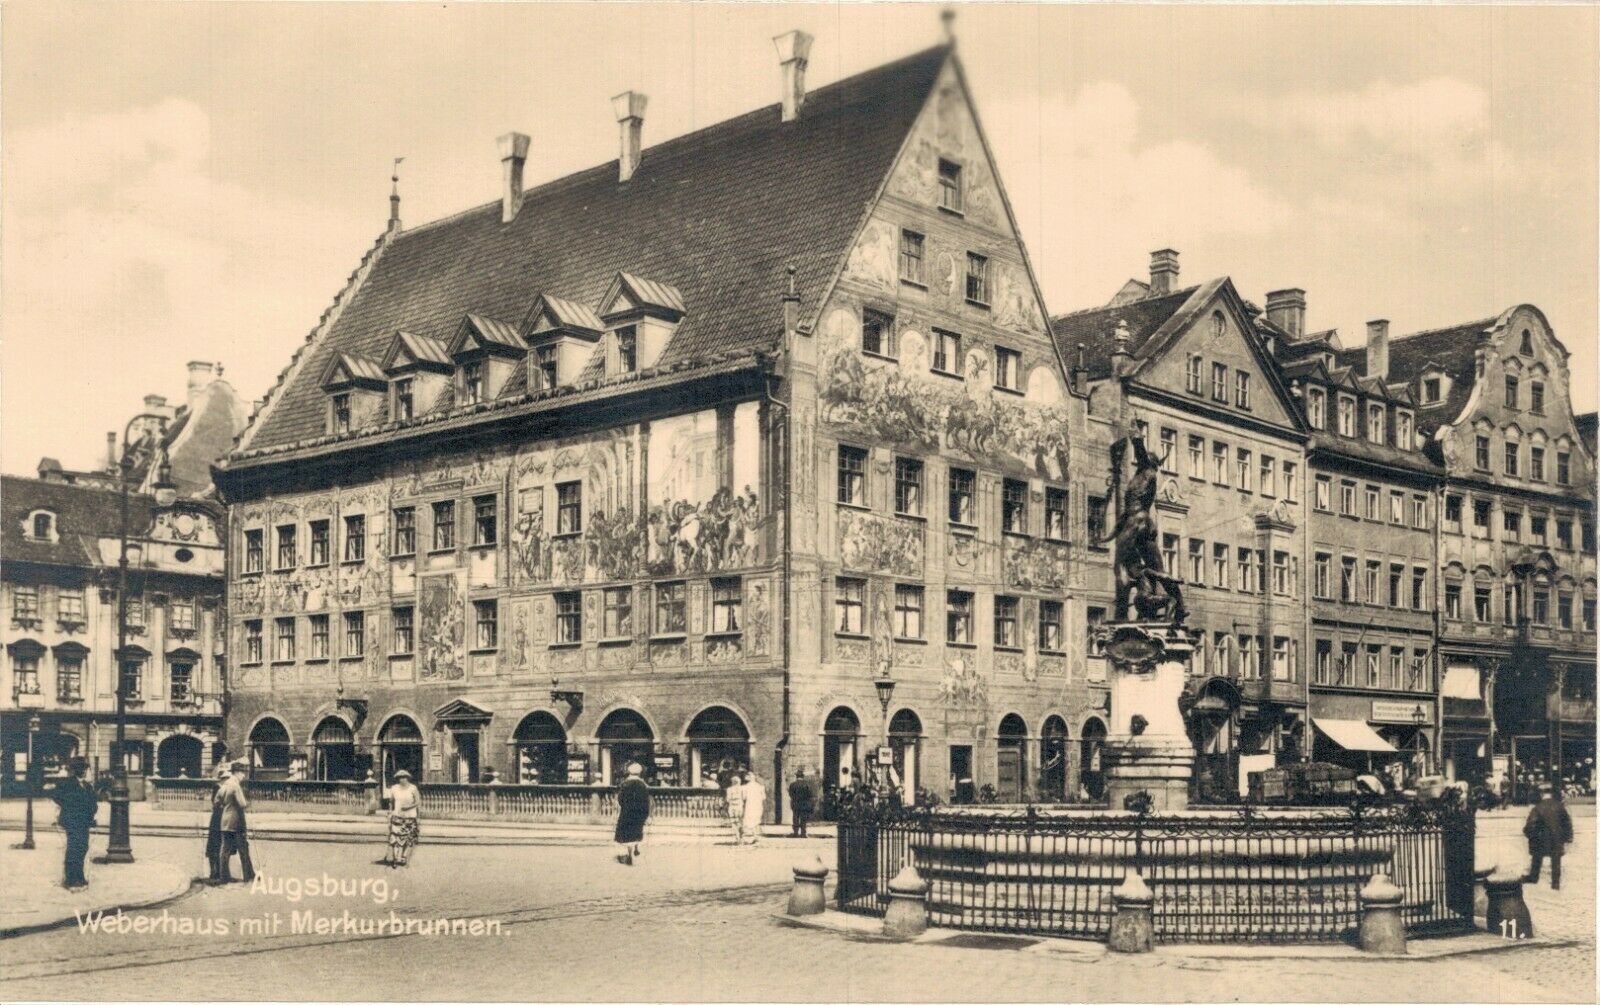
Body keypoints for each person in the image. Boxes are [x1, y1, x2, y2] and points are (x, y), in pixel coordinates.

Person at [50, 758, 97, 890]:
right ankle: (71, 879)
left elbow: (92, 801)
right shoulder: (67, 783)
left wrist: (92, 810)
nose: (83, 771)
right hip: (72, 820)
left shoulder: (87, 786)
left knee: (82, 848)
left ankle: (79, 877)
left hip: (84, 821)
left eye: (84, 768)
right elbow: (56, 796)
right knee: (73, 849)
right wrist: (69, 806)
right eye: (80, 768)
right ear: (74, 770)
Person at [1524, 782, 1574, 890]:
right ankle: (1555, 884)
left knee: (1537, 858)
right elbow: (1567, 823)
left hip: (1541, 840)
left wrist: (1529, 835)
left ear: (1541, 794)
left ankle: (1533, 877)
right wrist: (1568, 838)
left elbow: (1531, 825)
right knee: (1556, 861)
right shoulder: (1560, 806)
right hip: (1557, 839)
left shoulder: (1537, 808)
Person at [217, 760, 255, 883]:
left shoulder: (225, 785)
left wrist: (226, 806)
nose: (244, 775)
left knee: (225, 851)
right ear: (237, 773)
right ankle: (248, 876)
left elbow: (217, 801)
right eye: (243, 772)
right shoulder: (235, 785)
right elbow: (242, 804)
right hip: (237, 822)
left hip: (225, 821)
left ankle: (223, 877)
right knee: (243, 849)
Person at [614, 761, 650, 866]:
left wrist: (625, 806)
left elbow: (620, 799)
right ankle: (636, 847)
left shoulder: (625, 784)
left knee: (627, 834)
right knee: (637, 831)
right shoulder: (643, 785)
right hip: (639, 812)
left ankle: (629, 853)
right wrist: (646, 814)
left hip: (627, 812)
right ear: (639, 773)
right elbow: (646, 800)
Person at [385, 769, 421, 867]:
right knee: (394, 838)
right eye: (400, 778)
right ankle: (395, 858)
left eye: (404, 777)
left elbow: (418, 802)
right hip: (397, 817)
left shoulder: (413, 788)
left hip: (410, 817)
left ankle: (404, 856)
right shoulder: (394, 788)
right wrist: (390, 812)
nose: (402, 779)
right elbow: (391, 802)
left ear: (408, 778)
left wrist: (410, 809)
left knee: (407, 839)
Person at [204, 762, 230, 883]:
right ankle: (214, 871)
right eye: (224, 778)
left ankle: (218, 871)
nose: (226, 780)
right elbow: (216, 803)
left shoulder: (224, 788)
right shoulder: (217, 788)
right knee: (215, 844)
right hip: (217, 818)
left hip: (220, 818)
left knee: (219, 844)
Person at [788, 769, 816, 838]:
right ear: (803, 776)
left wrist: (795, 799)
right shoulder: (807, 785)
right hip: (804, 804)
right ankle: (803, 833)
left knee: (795, 818)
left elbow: (790, 794)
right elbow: (810, 794)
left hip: (795, 803)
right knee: (803, 818)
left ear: (796, 776)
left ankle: (795, 833)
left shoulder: (793, 784)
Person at [741, 771, 766, 846]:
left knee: (748, 820)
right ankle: (756, 837)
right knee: (756, 820)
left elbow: (744, 797)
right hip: (758, 805)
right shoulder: (760, 787)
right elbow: (763, 797)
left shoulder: (745, 787)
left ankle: (748, 838)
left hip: (750, 805)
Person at [724, 771, 747, 844]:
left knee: (734, 822)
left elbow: (727, 799)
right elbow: (744, 797)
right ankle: (741, 837)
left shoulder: (729, 789)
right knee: (740, 821)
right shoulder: (742, 789)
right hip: (739, 805)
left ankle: (737, 837)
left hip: (732, 805)